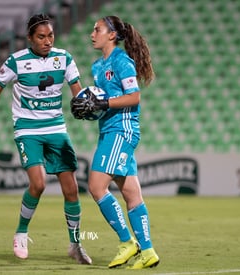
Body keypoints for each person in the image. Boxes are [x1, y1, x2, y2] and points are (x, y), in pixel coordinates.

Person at [0, 14, 91, 264]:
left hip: (56, 128)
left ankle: (75, 245)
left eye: (50, 35)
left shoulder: (64, 58)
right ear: (30, 38)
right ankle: (21, 232)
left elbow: (76, 90)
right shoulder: (16, 61)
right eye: (41, 37)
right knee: (37, 185)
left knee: (71, 189)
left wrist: (86, 103)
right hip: (27, 129)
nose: (47, 41)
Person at [71, 15, 160, 269]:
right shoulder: (98, 67)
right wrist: (91, 110)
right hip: (109, 129)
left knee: (96, 187)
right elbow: (103, 103)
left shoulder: (122, 61)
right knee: (132, 195)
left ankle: (127, 242)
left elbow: (134, 97)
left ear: (112, 35)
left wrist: (104, 103)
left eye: (97, 29)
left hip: (121, 131)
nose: (92, 33)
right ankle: (148, 251)